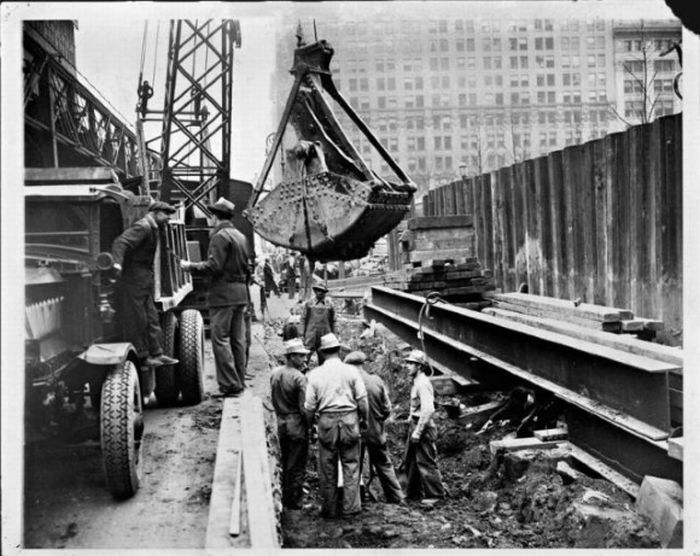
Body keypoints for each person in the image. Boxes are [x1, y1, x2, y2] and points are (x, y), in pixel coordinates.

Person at [181, 197, 251, 397]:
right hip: (240, 295)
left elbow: (214, 267)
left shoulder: (220, 237)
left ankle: (230, 385)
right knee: (238, 340)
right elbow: (246, 268)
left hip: (223, 295)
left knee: (220, 339)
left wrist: (190, 266)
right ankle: (240, 381)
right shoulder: (240, 236)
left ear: (215, 217)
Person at [304, 333, 369, 519]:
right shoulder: (351, 371)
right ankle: (351, 508)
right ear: (339, 350)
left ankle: (330, 509)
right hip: (350, 420)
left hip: (326, 423)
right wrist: (364, 420)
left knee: (327, 466)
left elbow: (309, 408)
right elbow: (362, 401)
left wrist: (310, 428)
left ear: (322, 352)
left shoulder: (314, 375)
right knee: (351, 465)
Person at [112, 201, 180, 368]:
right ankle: (143, 356)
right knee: (138, 319)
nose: (168, 219)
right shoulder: (143, 227)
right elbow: (121, 242)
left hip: (143, 281)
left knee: (151, 318)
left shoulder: (153, 227)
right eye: (166, 214)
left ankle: (157, 353)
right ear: (155, 212)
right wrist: (117, 264)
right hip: (134, 280)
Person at [344, 351, 404, 505]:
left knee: (353, 467)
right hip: (376, 432)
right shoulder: (376, 380)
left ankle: (356, 501)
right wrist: (377, 422)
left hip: (356, 431)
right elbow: (387, 409)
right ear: (362, 365)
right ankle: (397, 497)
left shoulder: (348, 383)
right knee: (384, 464)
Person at [400, 349, 447, 501]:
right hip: (415, 423)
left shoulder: (423, 383)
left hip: (424, 427)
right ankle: (413, 493)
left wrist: (418, 431)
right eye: (407, 363)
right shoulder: (416, 382)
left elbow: (428, 409)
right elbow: (418, 406)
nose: (407, 366)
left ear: (419, 366)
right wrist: (410, 417)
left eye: (411, 364)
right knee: (411, 461)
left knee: (425, 462)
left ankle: (436, 495)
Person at [270, 338, 311, 509]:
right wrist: (309, 425)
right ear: (291, 356)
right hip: (295, 424)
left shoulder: (275, 373)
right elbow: (304, 408)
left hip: (280, 422)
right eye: (300, 356)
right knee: (296, 464)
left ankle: (285, 496)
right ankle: (294, 501)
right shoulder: (299, 378)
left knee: (286, 460)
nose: (304, 359)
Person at [299, 283, 335, 365]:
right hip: (310, 335)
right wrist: (301, 333)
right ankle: (302, 375)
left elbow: (334, 321)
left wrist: (335, 335)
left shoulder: (330, 304)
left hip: (325, 335)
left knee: (324, 359)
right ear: (315, 291)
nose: (320, 292)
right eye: (318, 290)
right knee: (305, 357)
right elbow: (303, 319)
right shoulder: (309, 303)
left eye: (323, 291)